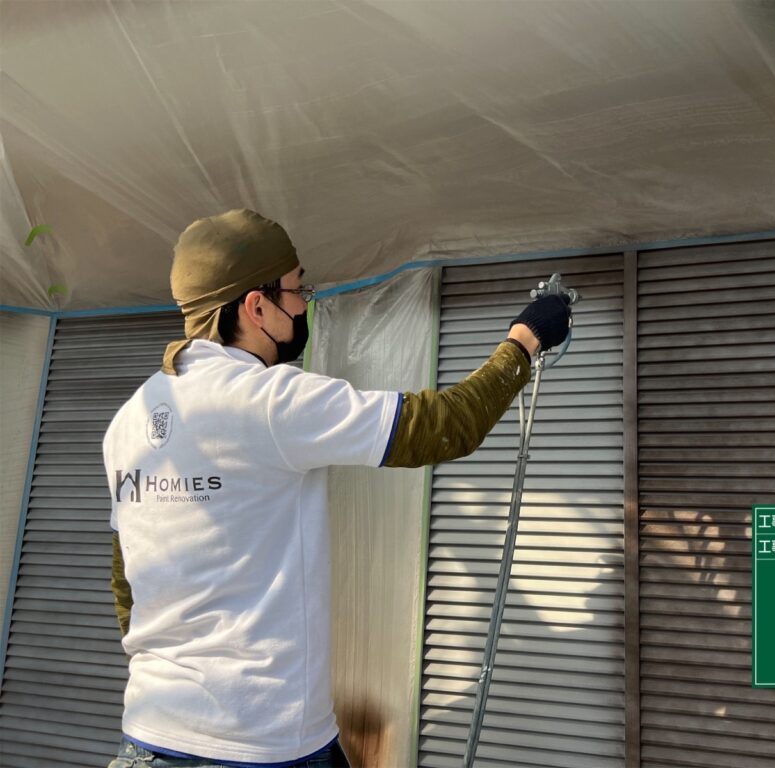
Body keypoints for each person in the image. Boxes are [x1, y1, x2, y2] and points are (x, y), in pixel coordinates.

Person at [104, 209, 571, 768]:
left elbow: (125, 582)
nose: (305, 305)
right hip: (260, 741)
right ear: (257, 306)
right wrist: (526, 340)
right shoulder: (269, 400)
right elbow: (446, 425)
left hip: (149, 734)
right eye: (299, 290)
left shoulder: (129, 421)